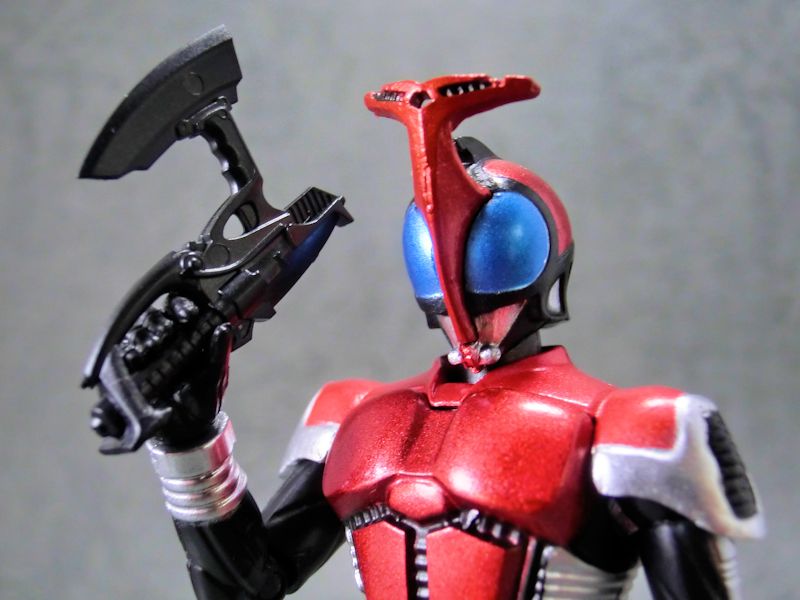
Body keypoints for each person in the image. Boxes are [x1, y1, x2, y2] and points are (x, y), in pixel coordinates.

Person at [99, 74, 764, 600]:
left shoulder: (632, 429)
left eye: (489, 281)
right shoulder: (357, 416)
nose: (468, 314)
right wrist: (190, 442)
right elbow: (249, 585)